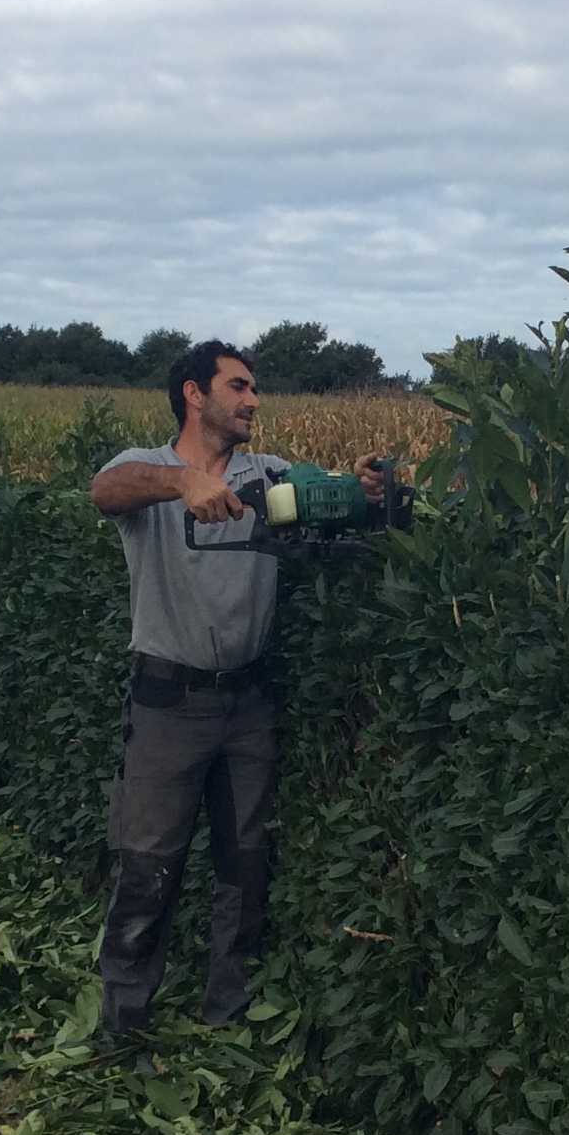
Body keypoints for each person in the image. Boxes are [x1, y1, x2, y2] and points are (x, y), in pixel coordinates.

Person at [89, 340, 383, 1038]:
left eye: (255, 389)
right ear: (195, 394)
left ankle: (227, 1016)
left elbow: (324, 491)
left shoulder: (270, 475)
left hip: (249, 702)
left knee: (244, 866)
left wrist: (361, 486)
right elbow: (106, 491)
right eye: (240, 387)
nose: (254, 400)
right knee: (148, 867)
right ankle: (123, 1025)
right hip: (168, 702)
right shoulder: (148, 470)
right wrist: (183, 485)